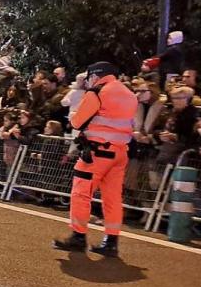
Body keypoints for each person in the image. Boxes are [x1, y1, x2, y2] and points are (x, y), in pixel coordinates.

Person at [54, 62, 138, 256]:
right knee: (113, 197)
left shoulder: (98, 92)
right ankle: (111, 241)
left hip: (97, 152)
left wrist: (74, 114)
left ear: (96, 75)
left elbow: (77, 121)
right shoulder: (130, 94)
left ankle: (78, 237)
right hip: (120, 153)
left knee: (81, 193)